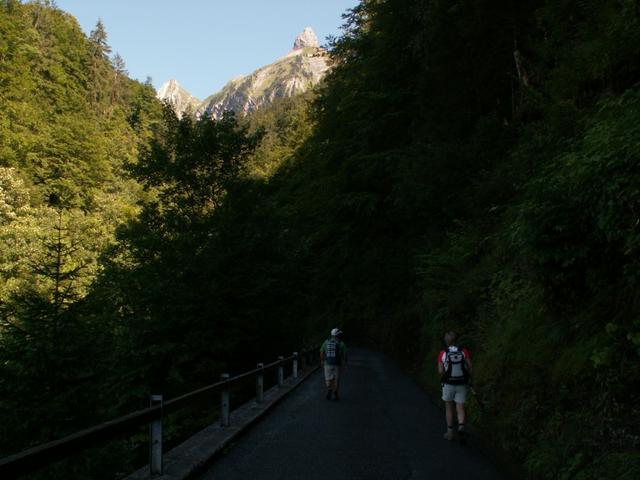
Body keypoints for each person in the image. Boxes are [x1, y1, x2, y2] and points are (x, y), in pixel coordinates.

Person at [437, 331, 472, 440]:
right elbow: (470, 367)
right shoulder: (463, 351)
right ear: (456, 340)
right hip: (462, 383)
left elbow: (440, 371)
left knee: (449, 407)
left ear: (446, 341)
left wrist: (446, 374)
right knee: (460, 406)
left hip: (448, 384)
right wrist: (468, 378)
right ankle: (461, 426)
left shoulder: (443, 353)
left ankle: (450, 432)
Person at [320, 328, 347, 400]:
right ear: (337, 335)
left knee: (328, 378)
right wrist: (344, 364)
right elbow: (344, 354)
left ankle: (329, 388)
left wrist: (322, 361)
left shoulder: (326, 342)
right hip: (337, 364)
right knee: (336, 379)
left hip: (327, 363)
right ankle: (335, 392)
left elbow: (321, 351)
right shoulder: (341, 343)